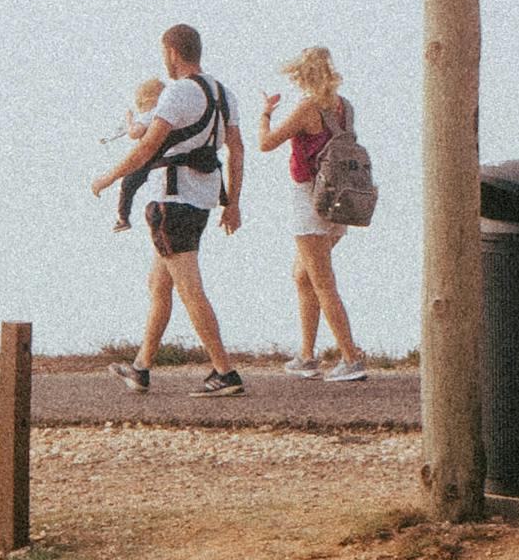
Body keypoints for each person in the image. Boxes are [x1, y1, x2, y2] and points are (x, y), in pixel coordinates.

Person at [88, 22, 243, 394]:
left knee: (190, 290)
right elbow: (236, 150)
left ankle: (225, 372)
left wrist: (108, 178)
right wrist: (233, 203)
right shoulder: (224, 93)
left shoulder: (177, 93)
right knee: (159, 283)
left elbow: (145, 148)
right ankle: (141, 368)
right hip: (202, 200)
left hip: (171, 203)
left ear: (172, 52)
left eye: (164, 54)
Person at [258, 47, 373, 382]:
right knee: (303, 275)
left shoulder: (308, 108)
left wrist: (265, 114)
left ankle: (351, 358)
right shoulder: (344, 107)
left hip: (310, 198)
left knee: (323, 282)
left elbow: (266, 143)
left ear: (303, 76)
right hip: (341, 198)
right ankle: (307, 356)